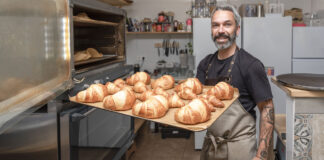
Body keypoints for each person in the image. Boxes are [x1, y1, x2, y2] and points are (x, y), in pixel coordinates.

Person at [196, 4, 274, 160]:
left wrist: (261, 156)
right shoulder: (205, 64)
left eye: (227, 24)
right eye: (215, 25)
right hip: (211, 146)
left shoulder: (250, 65)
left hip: (240, 149)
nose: (221, 30)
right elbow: (196, 102)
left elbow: (267, 108)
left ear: (237, 29)